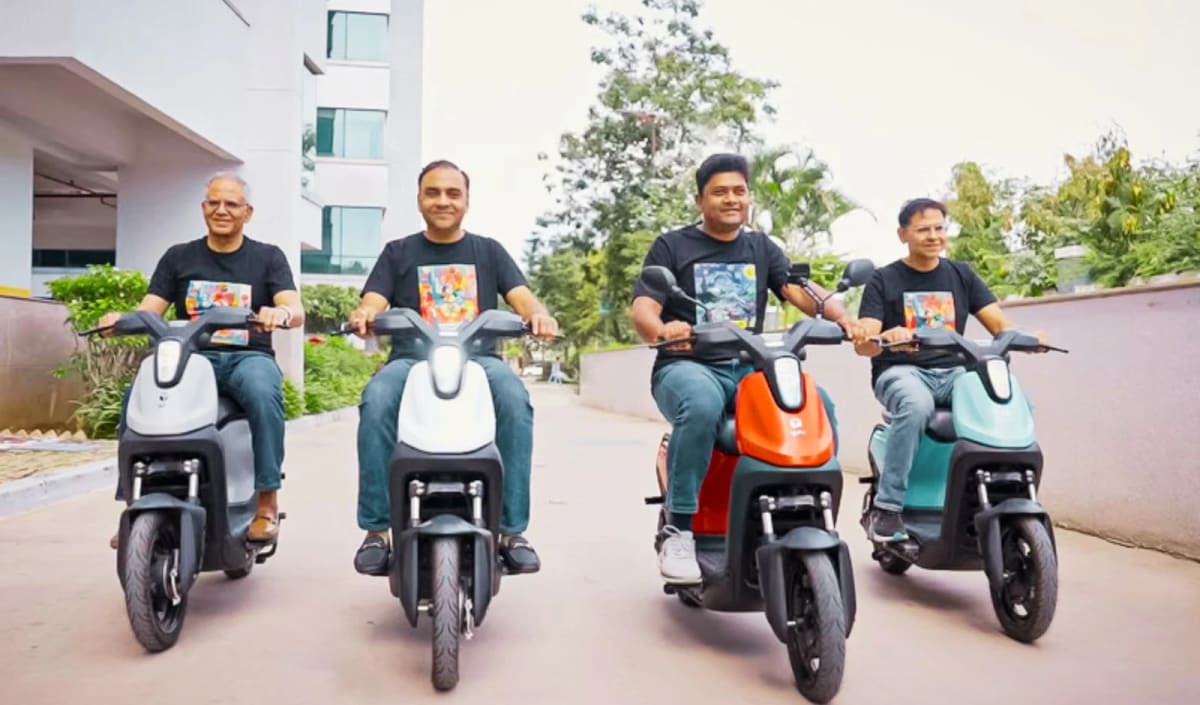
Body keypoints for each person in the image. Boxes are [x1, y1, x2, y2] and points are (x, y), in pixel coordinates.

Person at [630, 153, 868, 584]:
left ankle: (812, 512)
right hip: (688, 365)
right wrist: (665, 329)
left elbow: (799, 291)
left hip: (748, 367)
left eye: (739, 191)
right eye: (720, 191)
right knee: (701, 406)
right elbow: (644, 307)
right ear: (700, 199)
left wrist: (842, 318)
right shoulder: (673, 246)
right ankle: (679, 529)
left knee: (817, 405)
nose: (731, 199)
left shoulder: (761, 248)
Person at [348, 160, 558, 576]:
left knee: (516, 401)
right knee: (376, 399)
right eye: (433, 192)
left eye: (452, 193)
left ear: (466, 200)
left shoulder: (489, 251)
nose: (443, 201)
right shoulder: (398, 252)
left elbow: (523, 298)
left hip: (481, 360)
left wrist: (540, 316)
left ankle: (512, 532)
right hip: (410, 360)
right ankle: (376, 531)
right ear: (419, 199)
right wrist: (364, 312)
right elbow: (373, 300)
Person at [101, 173, 304, 547]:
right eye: (214, 203)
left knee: (263, 392)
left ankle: (266, 502)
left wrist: (282, 314)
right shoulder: (179, 257)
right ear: (203, 208)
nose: (221, 210)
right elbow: (150, 311)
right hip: (192, 358)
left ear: (248, 212)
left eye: (231, 204)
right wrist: (120, 321)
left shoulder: (267, 257)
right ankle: (133, 500)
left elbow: (294, 307)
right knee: (136, 396)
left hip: (248, 357)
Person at [854, 198, 1048, 542]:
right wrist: (887, 336)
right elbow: (864, 343)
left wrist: (1029, 338)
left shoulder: (961, 273)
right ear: (903, 234)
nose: (933, 236)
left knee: (1014, 400)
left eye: (939, 228)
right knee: (915, 406)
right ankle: (889, 507)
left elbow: (999, 323)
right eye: (923, 229)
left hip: (956, 372)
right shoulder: (884, 279)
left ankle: (1003, 497)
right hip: (903, 371)